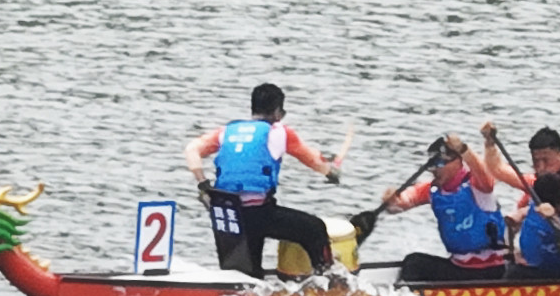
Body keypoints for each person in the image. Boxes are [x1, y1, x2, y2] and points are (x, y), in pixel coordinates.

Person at [186, 82, 346, 277]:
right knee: (315, 228)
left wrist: (204, 185)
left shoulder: (225, 132)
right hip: (258, 214)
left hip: (226, 214)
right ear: (278, 111)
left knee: (247, 271)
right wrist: (331, 173)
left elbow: (191, 149)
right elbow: (313, 161)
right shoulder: (281, 132)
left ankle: (249, 282)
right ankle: (329, 280)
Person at [379, 128, 513, 279]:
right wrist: (390, 199)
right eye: (432, 165)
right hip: (458, 267)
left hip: (490, 271)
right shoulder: (433, 190)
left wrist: (464, 149)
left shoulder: (478, 186)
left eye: (439, 163)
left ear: (457, 161)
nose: (434, 170)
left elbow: (484, 175)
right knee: (413, 262)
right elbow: (401, 203)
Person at [489, 127, 560, 278]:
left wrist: (525, 211)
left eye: (546, 160)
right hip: (552, 249)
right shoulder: (541, 184)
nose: (541, 167)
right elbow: (498, 170)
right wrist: (489, 143)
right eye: (536, 161)